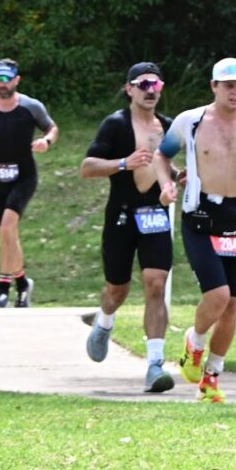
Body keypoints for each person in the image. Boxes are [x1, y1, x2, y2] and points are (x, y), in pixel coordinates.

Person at [155, 58, 236, 403]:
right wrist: (167, 184)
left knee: (233, 304)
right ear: (214, 87)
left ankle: (211, 379)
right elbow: (162, 156)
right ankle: (195, 340)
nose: (235, 92)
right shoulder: (190, 122)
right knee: (218, 295)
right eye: (228, 85)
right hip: (200, 216)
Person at [81, 62, 178, 393]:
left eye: (157, 85)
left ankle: (155, 365)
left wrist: (176, 181)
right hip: (122, 215)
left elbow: (169, 166)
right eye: (144, 84)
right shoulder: (115, 125)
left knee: (156, 283)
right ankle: (104, 321)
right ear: (129, 89)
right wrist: (123, 163)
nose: (151, 90)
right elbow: (87, 167)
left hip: (154, 215)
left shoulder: (168, 127)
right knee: (116, 290)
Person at [0, 59, 58, 308]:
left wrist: (45, 142)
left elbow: (52, 128)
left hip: (24, 175)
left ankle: (2, 290)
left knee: (8, 228)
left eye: (7, 79)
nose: (3, 84)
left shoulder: (30, 106)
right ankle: (22, 283)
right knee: (8, 234)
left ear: (17, 80)